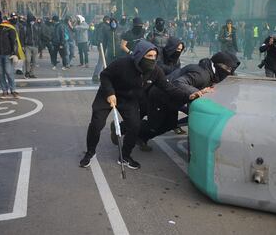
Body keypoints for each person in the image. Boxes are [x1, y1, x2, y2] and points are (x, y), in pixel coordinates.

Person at [79, 40, 201, 169]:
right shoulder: (122, 64)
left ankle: (125, 156)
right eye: (149, 56)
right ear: (139, 55)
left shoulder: (155, 71)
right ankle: (90, 153)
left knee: (134, 126)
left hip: (129, 99)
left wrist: (188, 95)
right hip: (108, 95)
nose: (153, 59)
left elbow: (168, 88)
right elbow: (105, 76)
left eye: (155, 56)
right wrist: (110, 93)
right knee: (97, 124)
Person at [138, 51, 240, 150]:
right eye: (228, 68)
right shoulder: (202, 75)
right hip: (160, 96)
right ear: (218, 65)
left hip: (173, 98)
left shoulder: (208, 71)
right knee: (154, 125)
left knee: (169, 124)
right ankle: (129, 128)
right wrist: (199, 93)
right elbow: (179, 83)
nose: (230, 72)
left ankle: (141, 137)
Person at [23, 13, 39, 78]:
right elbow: (22, 36)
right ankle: (27, 72)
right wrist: (22, 45)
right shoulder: (25, 26)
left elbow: (39, 35)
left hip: (35, 45)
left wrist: (40, 45)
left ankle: (32, 73)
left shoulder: (36, 26)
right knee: (28, 60)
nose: (32, 21)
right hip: (27, 46)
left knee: (35, 61)